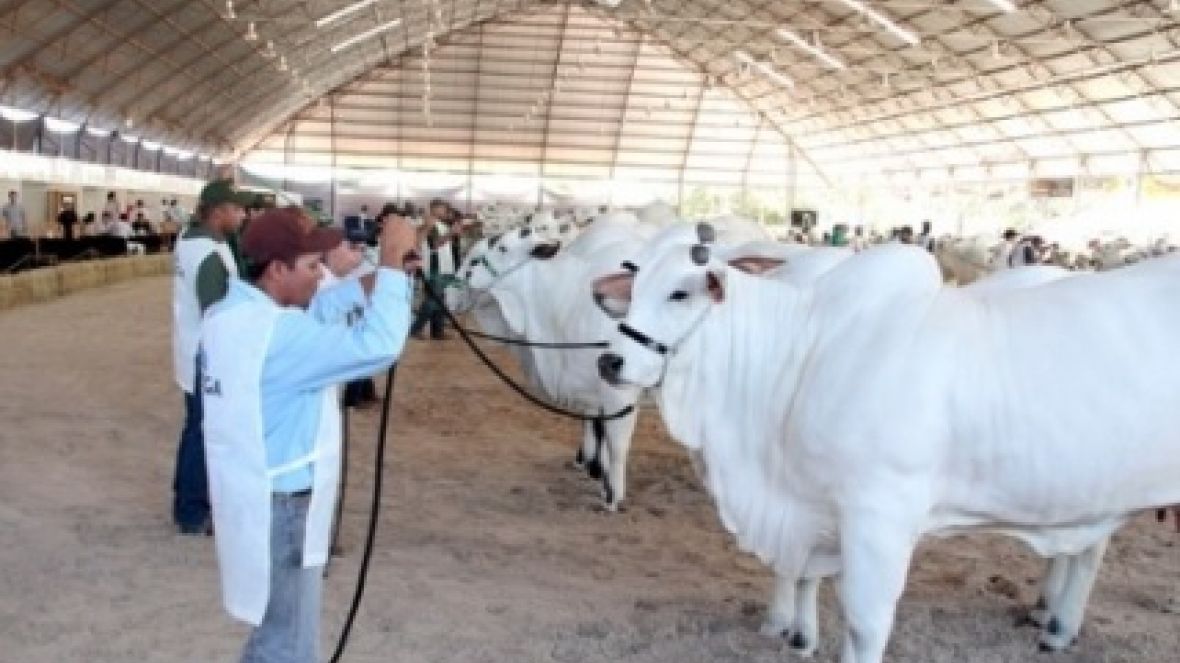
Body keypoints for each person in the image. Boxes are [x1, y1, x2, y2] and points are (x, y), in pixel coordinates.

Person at [201, 207, 418, 663]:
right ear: (277, 270)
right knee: (288, 643)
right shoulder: (281, 336)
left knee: (276, 627)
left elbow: (318, 308)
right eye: (311, 266)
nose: (321, 275)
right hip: (283, 505)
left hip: (252, 491)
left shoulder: (232, 314)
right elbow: (377, 345)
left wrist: (378, 280)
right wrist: (393, 261)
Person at [171, 179, 251, 535]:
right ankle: (192, 510)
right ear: (219, 213)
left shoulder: (191, 240)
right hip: (208, 354)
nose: (243, 215)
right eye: (237, 209)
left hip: (191, 349)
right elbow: (216, 312)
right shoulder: (208, 254)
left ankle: (187, 501)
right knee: (204, 433)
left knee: (196, 430)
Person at [409, 199, 463, 340]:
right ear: (435, 208)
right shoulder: (430, 223)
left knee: (439, 300)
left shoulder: (439, 224)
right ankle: (416, 328)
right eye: (443, 208)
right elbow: (434, 244)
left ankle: (437, 331)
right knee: (433, 300)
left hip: (442, 266)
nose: (446, 211)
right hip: (434, 267)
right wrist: (451, 233)